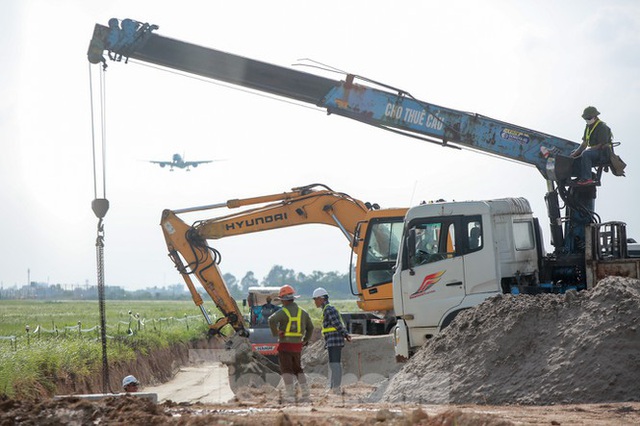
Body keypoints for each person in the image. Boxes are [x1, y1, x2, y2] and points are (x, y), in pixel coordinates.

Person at [268, 284, 314, 403]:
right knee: (298, 369)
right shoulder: (303, 313)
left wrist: (276, 332)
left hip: (285, 346)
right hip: (297, 347)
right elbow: (311, 327)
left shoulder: (283, 312)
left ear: (284, 300)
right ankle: (305, 393)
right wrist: (305, 340)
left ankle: (290, 395)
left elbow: (271, 320)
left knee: (286, 370)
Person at [312, 287, 351, 394]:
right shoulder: (327, 309)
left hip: (334, 340)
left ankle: (336, 388)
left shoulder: (329, 309)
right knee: (334, 364)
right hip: (332, 340)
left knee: (335, 364)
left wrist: (346, 334)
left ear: (321, 299)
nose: (314, 301)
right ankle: (334, 386)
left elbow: (337, 324)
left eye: (315, 299)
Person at [570, 106, 613, 185]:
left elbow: (601, 145)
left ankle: (587, 178)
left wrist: (587, 150)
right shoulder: (588, 127)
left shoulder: (602, 127)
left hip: (603, 153)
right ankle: (580, 176)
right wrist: (574, 154)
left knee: (586, 154)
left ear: (595, 117)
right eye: (586, 119)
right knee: (576, 153)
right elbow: (584, 144)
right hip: (593, 151)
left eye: (589, 118)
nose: (587, 120)